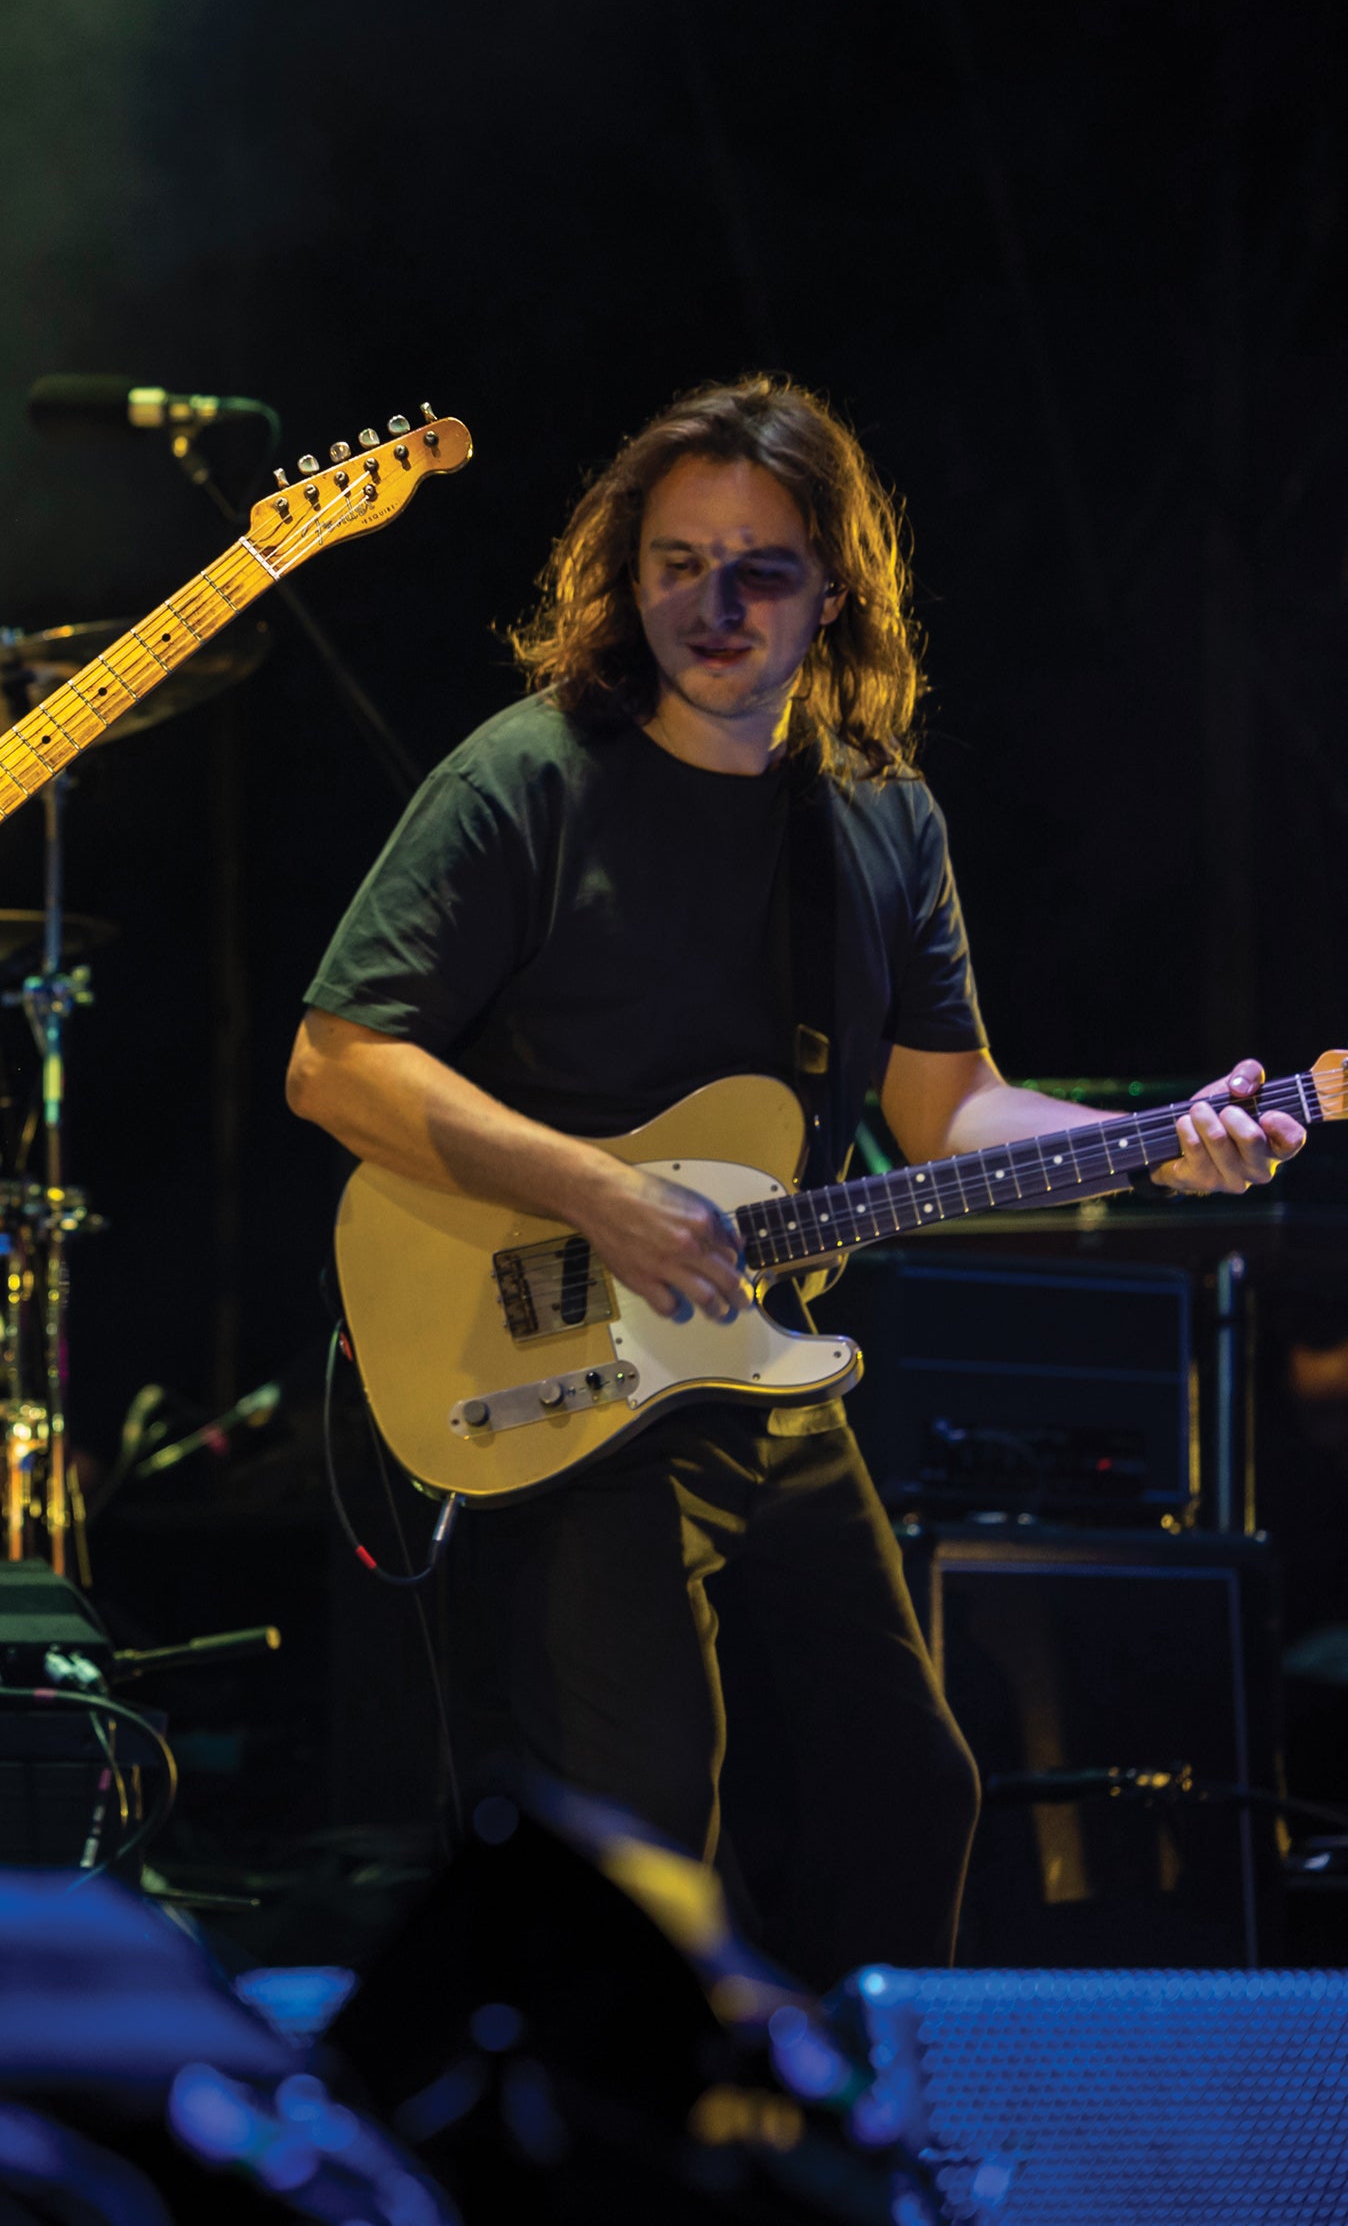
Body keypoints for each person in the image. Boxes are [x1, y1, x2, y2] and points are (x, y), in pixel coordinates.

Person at [285, 376, 1304, 1985]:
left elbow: (949, 1112)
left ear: (833, 588)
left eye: (761, 566)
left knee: (902, 1792)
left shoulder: (879, 818)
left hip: (761, 1378)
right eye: (679, 560)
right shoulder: (527, 776)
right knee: (640, 1816)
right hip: (560, 1365)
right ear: (628, 572)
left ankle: (821, 2146)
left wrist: (1168, 1146)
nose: (716, 602)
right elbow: (337, 1062)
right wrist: (600, 1196)